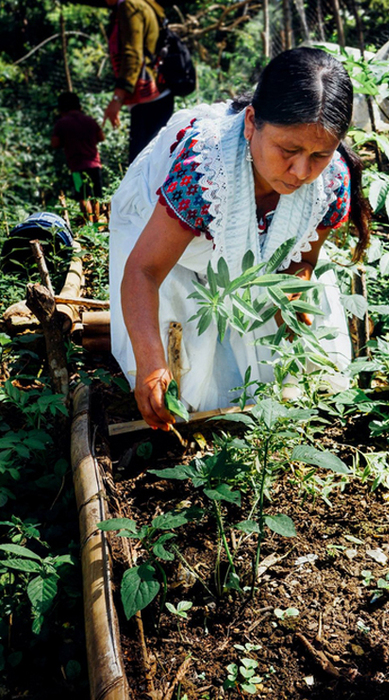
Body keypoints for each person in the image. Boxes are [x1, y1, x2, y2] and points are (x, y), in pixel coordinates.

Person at [109, 47, 371, 431]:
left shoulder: (331, 181)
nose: (301, 171)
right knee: (187, 389)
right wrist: (151, 364)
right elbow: (144, 270)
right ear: (251, 122)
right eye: (288, 150)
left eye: (319, 155)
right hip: (165, 244)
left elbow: (303, 262)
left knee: (301, 377)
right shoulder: (201, 171)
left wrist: (292, 306)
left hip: (255, 260)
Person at [102, 0, 174, 164]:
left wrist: (117, 99)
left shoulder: (130, 6)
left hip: (150, 98)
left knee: (140, 167)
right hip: (155, 97)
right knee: (150, 165)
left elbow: (133, 53)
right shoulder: (142, 4)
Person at [51, 91, 105, 223]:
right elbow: (101, 137)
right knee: (96, 196)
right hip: (94, 164)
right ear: (79, 106)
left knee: (82, 196)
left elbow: (55, 143)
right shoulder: (89, 120)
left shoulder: (62, 124)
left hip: (77, 167)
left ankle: (88, 223)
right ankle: (97, 223)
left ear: (61, 109)